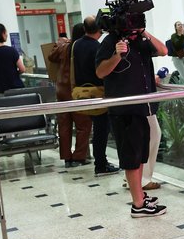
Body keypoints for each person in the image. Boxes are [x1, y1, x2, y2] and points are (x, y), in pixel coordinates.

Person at [95, 14, 168, 218]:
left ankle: (140, 196)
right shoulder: (110, 41)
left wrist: (143, 32)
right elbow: (100, 72)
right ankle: (138, 204)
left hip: (143, 107)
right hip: (124, 109)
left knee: (140, 155)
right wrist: (117, 55)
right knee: (131, 157)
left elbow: (163, 50)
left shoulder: (140, 41)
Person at [73, 17, 119, 177]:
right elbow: (101, 71)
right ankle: (101, 164)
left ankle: (101, 161)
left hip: (82, 92)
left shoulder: (76, 45)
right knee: (102, 130)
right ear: (100, 29)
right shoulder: (98, 47)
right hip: (98, 92)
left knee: (96, 129)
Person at [48, 23, 91, 168]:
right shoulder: (81, 48)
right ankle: (79, 157)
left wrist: (61, 42)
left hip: (61, 90)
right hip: (76, 90)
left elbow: (51, 57)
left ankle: (67, 157)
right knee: (83, 125)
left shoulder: (64, 46)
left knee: (64, 125)